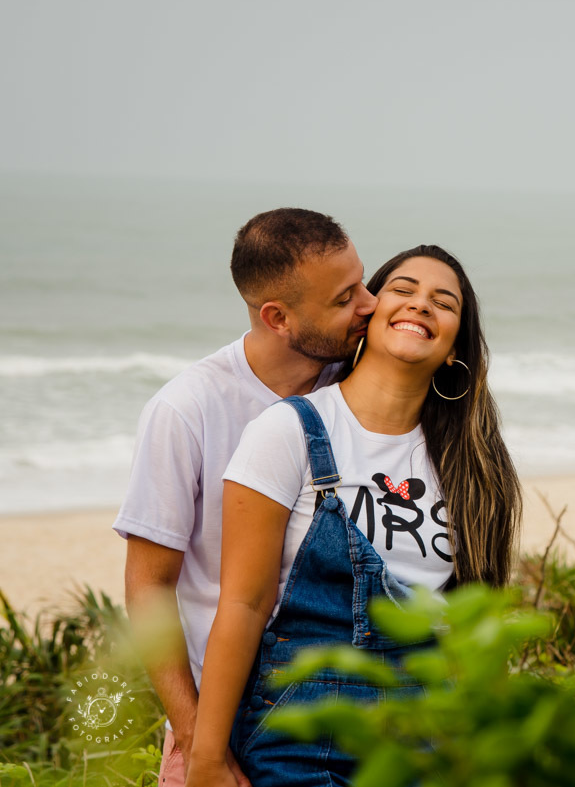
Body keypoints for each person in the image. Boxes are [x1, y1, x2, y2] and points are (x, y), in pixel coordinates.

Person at [186, 245, 521, 787]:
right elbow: (244, 605)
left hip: (431, 737)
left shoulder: (474, 465)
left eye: (444, 302)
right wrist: (205, 757)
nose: (420, 307)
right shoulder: (289, 430)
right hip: (299, 734)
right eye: (404, 291)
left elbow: (474, 625)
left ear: (456, 347)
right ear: (369, 312)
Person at [113, 208, 377, 787]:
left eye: (362, 281)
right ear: (277, 317)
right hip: (226, 720)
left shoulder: (361, 384)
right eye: (343, 298)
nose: (370, 304)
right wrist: (192, 739)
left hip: (352, 713)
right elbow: (149, 586)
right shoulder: (186, 409)